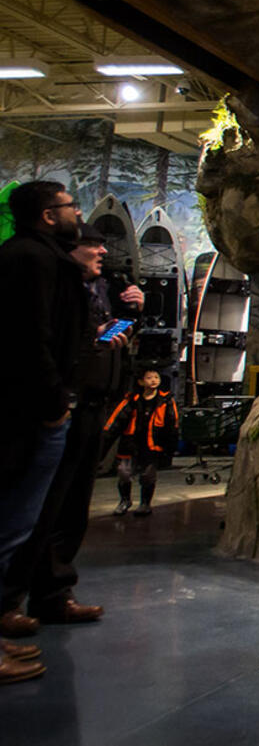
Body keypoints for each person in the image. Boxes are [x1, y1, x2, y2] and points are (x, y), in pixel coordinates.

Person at [1, 223, 140, 635]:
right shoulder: (50, 285)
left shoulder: (101, 287)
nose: (101, 251)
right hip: (59, 408)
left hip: (93, 405)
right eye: (91, 244)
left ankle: (53, 593)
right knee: (33, 509)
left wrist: (131, 311)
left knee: (72, 505)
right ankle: (11, 601)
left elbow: (106, 330)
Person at [0, 180, 88, 684]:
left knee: (21, 523)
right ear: (48, 215)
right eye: (69, 206)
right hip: (29, 412)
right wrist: (54, 402)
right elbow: (28, 337)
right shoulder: (29, 260)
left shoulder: (41, 256)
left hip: (35, 409)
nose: (76, 212)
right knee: (10, 521)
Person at [105, 369, 178, 517]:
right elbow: (117, 419)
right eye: (149, 377)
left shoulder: (166, 400)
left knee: (148, 475)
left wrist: (170, 447)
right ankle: (125, 500)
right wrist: (105, 438)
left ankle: (145, 503)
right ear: (141, 381)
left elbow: (173, 423)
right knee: (124, 473)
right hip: (130, 442)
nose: (153, 380)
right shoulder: (132, 399)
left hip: (152, 444)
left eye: (156, 377)